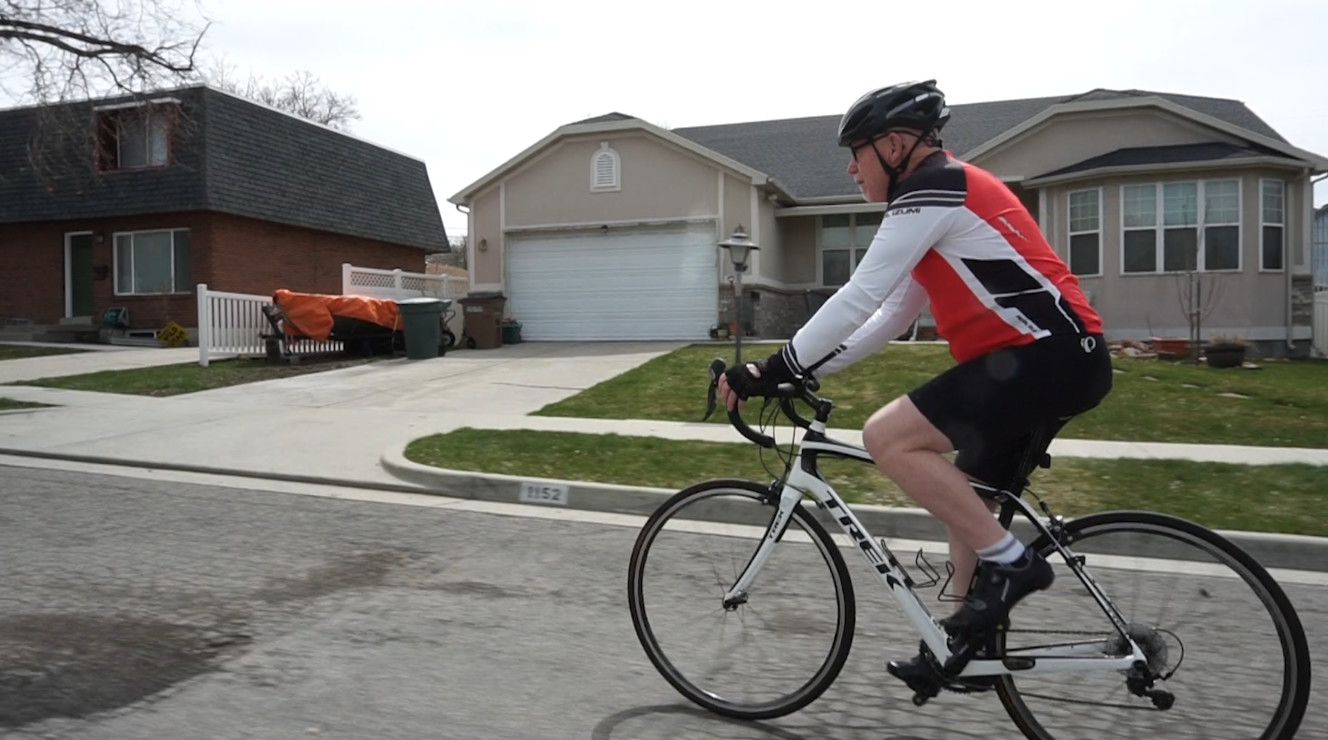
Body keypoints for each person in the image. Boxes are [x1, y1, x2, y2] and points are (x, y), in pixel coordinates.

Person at [718, 79, 1113, 685]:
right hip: (1051, 362)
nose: (851, 168)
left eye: (857, 152)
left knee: (889, 437)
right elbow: (885, 319)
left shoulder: (935, 188)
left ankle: (1014, 566)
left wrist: (771, 368)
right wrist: (802, 371)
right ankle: (964, 650)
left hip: (1044, 358)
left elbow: (857, 295)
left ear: (897, 145)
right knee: (967, 504)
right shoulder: (941, 204)